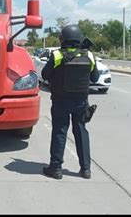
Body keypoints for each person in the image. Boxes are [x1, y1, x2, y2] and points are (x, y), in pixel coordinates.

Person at [41, 25, 99, 180]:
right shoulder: (90, 55)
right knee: (81, 132)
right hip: (81, 102)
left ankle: (56, 168)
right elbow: (95, 78)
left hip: (61, 101)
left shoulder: (58, 55)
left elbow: (44, 74)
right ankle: (86, 169)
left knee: (60, 132)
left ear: (63, 39)